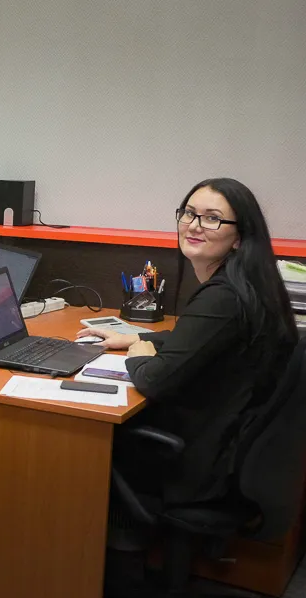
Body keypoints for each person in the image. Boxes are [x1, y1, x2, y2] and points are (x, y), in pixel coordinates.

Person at [78, 178, 297, 503]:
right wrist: (136, 336)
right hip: (228, 446)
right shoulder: (247, 283)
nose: (194, 225)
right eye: (189, 213)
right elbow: (200, 340)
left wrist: (139, 354)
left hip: (198, 462)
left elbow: (154, 379)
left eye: (212, 218)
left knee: (80, 436)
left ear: (239, 237)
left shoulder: (223, 298)